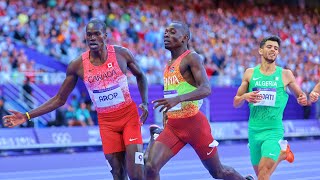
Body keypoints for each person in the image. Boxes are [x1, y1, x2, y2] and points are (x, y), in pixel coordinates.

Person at [3, 18, 149, 180]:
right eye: (89, 35)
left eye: (96, 34)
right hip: (107, 124)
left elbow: (141, 76)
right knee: (117, 174)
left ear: (105, 36)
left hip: (128, 117)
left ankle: (147, 156)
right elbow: (59, 99)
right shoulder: (77, 65)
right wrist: (27, 115)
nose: (92, 38)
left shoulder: (121, 54)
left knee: (136, 175)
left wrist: (145, 102)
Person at [145, 22, 253, 180]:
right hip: (174, 126)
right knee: (150, 167)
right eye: (166, 32)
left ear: (184, 38)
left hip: (194, 126)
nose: (166, 35)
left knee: (218, 172)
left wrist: (178, 99)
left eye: (172, 32)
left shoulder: (191, 57)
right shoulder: (168, 65)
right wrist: (168, 112)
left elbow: (206, 88)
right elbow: (173, 93)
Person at [233, 35, 308, 179]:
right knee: (262, 175)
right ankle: (282, 153)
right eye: (269, 47)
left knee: (263, 172)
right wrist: (244, 97)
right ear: (260, 51)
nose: (273, 50)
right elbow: (236, 102)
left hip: (273, 130)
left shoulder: (285, 74)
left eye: (276, 48)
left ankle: (281, 152)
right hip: (254, 131)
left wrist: (302, 98)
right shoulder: (250, 73)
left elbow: (300, 95)